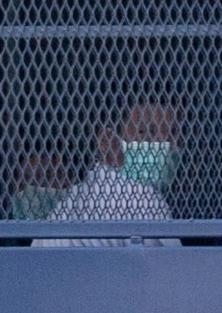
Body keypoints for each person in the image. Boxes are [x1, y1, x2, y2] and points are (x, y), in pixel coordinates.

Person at [33, 102, 181, 247]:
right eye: (145, 131)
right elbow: (175, 260)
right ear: (107, 141)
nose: (164, 144)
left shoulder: (77, 196)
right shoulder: (142, 199)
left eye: (172, 134)